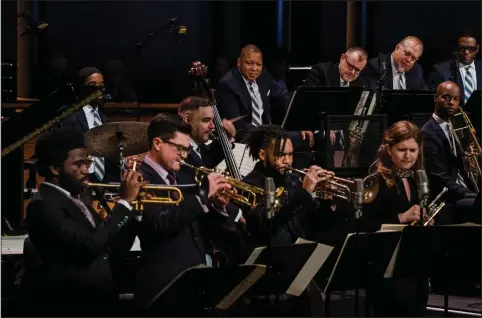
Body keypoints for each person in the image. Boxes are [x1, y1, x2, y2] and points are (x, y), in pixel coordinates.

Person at [23, 128, 142, 317]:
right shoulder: (43, 204)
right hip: (71, 306)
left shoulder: (77, 200)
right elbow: (89, 246)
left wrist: (135, 211)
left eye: (88, 162)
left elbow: (111, 248)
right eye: (79, 164)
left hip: (98, 302)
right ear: (55, 168)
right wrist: (124, 203)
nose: (87, 170)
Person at [134, 113, 233, 313]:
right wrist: (202, 196)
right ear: (157, 143)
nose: (184, 155)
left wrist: (218, 205)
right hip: (164, 286)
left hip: (192, 281)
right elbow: (158, 224)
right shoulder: (140, 177)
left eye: (187, 150)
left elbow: (196, 224)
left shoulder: (181, 174)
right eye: (179, 148)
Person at [361, 120, 431, 317]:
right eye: (402, 150)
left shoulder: (416, 177)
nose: (408, 156)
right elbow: (365, 225)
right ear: (389, 149)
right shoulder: (375, 180)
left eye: (413, 150)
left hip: (413, 264)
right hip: (386, 267)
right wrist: (400, 217)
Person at [177, 96, 249, 265]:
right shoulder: (182, 153)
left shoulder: (196, 149)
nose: (212, 126)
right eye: (206, 120)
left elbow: (204, 160)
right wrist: (234, 211)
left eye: (212, 120)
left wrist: (226, 139)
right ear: (187, 119)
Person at [215, 44, 314, 150]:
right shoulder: (228, 84)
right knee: (293, 140)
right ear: (239, 63)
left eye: (258, 65)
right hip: (245, 137)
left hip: (267, 134)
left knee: (306, 137)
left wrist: (299, 127)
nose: (254, 69)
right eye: (249, 63)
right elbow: (236, 123)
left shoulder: (263, 75)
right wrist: (267, 133)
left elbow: (282, 100)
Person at [421, 81, 479, 224]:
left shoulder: (458, 127)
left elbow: (465, 164)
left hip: (464, 190)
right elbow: (440, 179)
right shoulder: (427, 133)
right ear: (435, 98)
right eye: (446, 97)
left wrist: (469, 157)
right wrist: (473, 194)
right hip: (447, 198)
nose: (451, 102)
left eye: (456, 99)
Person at [428, 32, 481, 105]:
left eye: (471, 48)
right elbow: (435, 102)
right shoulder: (440, 71)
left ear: (477, 49)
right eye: (462, 48)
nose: (466, 52)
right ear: (456, 48)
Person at [362, 36, 427, 90]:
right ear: (397, 48)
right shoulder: (375, 66)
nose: (409, 60)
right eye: (407, 53)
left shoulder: (417, 70)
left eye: (413, 58)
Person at [304, 46, 368, 87]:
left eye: (358, 70)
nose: (352, 72)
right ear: (342, 58)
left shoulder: (361, 82)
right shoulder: (321, 71)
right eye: (350, 66)